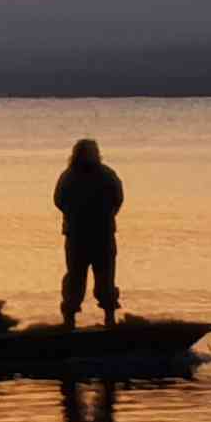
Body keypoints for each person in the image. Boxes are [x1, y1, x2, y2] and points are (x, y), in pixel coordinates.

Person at [53, 138, 123, 327]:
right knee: (79, 279)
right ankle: (72, 319)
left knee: (102, 278)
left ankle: (107, 318)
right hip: (84, 235)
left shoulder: (102, 175)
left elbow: (117, 198)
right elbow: (59, 200)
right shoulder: (74, 176)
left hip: (95, 235)